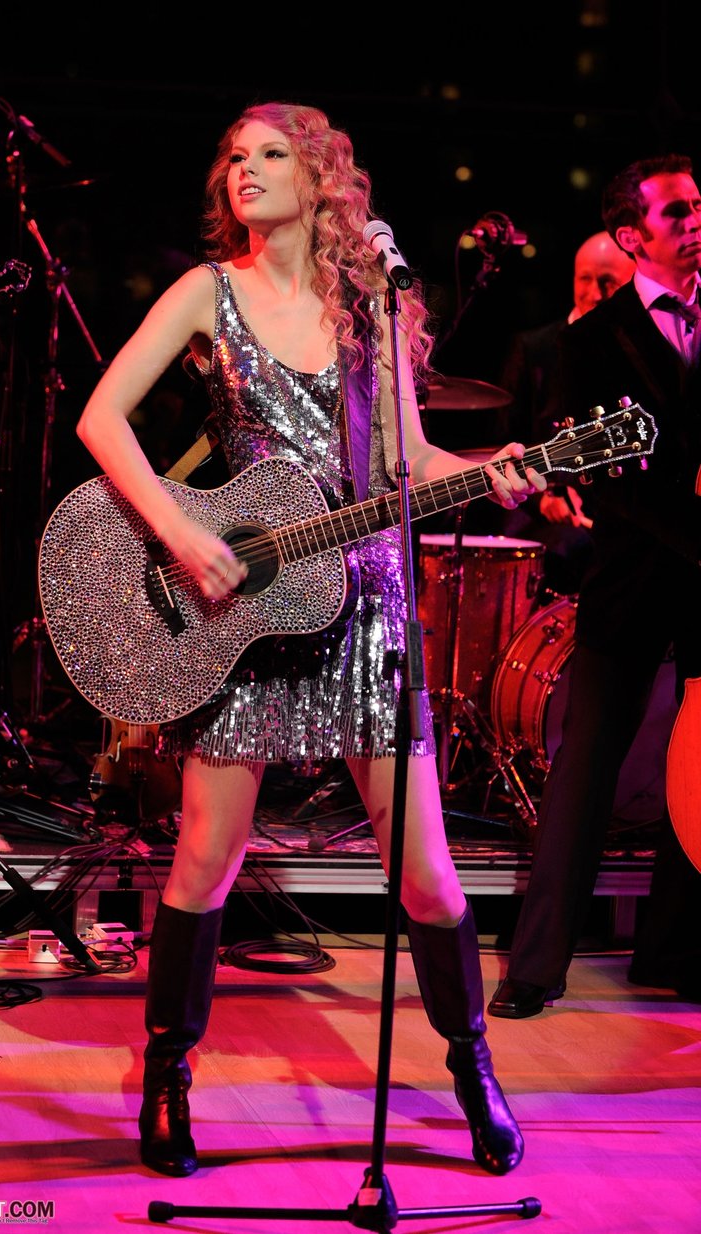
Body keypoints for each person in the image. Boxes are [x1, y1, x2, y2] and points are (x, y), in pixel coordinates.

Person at [75, 101, 545, 1177]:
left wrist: (499, 468)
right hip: (245, 610)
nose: (245, 170)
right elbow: (102, 419)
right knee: (207, 856)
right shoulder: (208, 292)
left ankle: (471, 1066)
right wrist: (183, 536)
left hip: (365, 603)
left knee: (426, 875)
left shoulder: (369, 306)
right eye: (234, 156)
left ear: (320, 177)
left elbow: (407, 460)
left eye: (271, 154)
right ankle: (167, 1074)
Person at [488, 152, 701, 1020]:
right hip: (635, 575)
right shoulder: (588, 341)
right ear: (631, 236)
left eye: (700, 206)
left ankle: (677, 951)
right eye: (677, 212)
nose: (697, 221)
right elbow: (604, 478)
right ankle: (537, 965)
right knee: (585, 771)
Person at [495, 231, 634, 597]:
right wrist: (542, 498)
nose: (595, 292)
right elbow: (501, 443)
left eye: (608, 281)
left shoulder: (637, 354)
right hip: (539, 519)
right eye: (585, 278)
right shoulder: (534, 349)